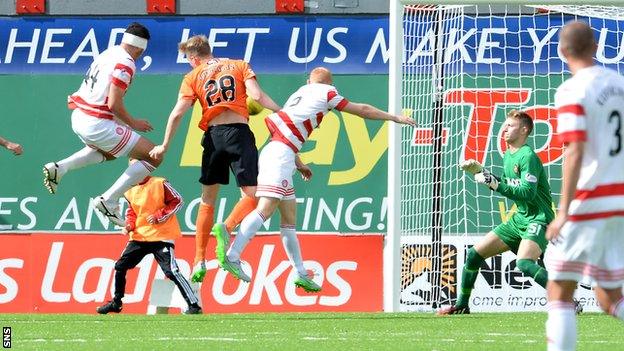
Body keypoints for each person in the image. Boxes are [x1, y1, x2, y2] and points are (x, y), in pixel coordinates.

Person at [214, 66, 416, 292]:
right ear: (331, 84)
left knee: (289, 219)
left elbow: (287, 131)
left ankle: (300, 273)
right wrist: (394, 117)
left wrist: (298, 163)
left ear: (309, 80)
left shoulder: (300, 93)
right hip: (280, 156)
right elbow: (362, 109)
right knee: (265, 209)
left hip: (282, 153)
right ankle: (233, 252)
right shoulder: (328, 93)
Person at [149, 35, 281, 283]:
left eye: (188, 60)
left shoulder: (192, 76)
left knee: (207, 199)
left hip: (213, 137)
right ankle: (227, 227)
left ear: (194, 57)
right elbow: (257, 96)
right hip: (239, 134)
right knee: (251, 195)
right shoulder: (239, 65)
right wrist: (281, 112)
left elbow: (177, 113)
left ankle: (199, 260)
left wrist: (165, 144)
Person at [438, 110, 575, 315]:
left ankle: (567, 301)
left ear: (524, 130)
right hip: (519, 218)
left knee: (524, 263)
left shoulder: (528, 156)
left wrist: (493, 183)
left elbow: (527, 193)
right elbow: (507, 185)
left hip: (539, 218)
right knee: (474, 255)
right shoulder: (508, 155)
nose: (504, 129)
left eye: (510, 126)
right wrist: (482, 173)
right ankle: (462, 305)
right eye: (505, 125)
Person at [545, 21, 624, 351]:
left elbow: (574, 149)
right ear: (595, 47)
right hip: (619, 199)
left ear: (563, 52)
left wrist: (563, 211)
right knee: (610, 297)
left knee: (560, 289)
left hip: (592, 199)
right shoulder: (619, 83)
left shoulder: (571, 89)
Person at [43, 22, 159, 227]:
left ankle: (60, 168)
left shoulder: (109, 53)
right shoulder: (127, 63)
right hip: (96, 123)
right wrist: (134, 123)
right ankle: (109, 200)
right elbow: (113, 103)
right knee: (153, 155)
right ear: (141, 48)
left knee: (110, 154)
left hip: (80, 116)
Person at [97, 162, 201, 314]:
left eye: (138, 169)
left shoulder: (160, 182)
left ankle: (193, 305)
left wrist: (160, 216)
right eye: (133, 169)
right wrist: (128, 226)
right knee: (120, 266)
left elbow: (178, 200)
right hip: (140, 236)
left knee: (172, 271)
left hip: (161, 236)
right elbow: (132, 212)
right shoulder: (129, 189)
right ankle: (116, 302)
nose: (136, 172)